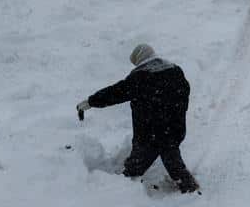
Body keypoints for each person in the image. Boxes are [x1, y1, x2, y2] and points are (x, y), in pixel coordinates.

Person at [76, 44, 199, 194]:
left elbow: (115, 93)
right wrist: (176, 113)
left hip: (149, 132)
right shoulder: (175, 70)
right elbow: (185, 92)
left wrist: (91, 101)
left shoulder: (141, 77)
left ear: (140, 59)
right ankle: (187, 185)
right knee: (170, 153)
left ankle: (121, 190)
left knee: (138, 164)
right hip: (173, 128)